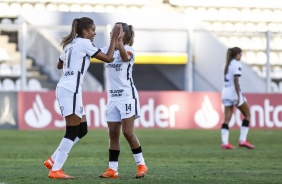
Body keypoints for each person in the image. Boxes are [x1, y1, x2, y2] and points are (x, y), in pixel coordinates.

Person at [43, 17, 121, 179]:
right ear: (85, 31)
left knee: (82, 129)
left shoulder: (70, 45)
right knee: (71, 131)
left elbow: (59, 65)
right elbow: (108, 58)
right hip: (70, 89)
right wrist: (114, 38)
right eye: (92, 30)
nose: (94, 33)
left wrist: (73, 62)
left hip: (69, 89)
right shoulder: (84, 44)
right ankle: (56, 170)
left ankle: (53, 160)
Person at [99, 22, 148, 179]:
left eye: (116, 31)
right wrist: (114, 41)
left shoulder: (129, 50)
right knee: (113, 133)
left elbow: (125, 58)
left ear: (124, 34)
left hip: (127, 96)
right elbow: (106, 57)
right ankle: (112, 169)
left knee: (127, 132)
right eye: (113, 30)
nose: (112, 32)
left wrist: (118, 41)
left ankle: (141, 165)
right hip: (112, 97)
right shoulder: (109, 50)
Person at [221, 47, 255, 150]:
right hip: (233, 92)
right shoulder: (237, 64)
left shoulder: (226, 65)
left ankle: (225, 143)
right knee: (247, 114)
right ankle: (242, 140)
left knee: (226, 119)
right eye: (241, 54)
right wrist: (238, 95)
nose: (241, 56)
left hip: (225, 92)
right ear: (237, 55)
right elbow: (236, 80)